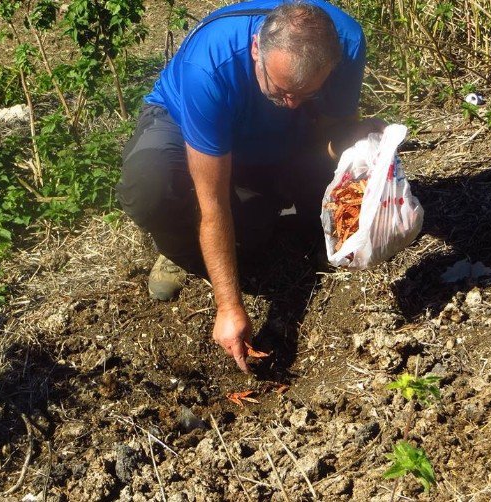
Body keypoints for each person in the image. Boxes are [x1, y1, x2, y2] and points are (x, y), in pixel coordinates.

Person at [117, 0, 382, 373]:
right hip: (185, 123)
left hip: (262, 134)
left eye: (304, 94)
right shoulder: (208, 67)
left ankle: (277, 205)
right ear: (257, 48)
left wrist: (366, 138)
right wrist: (229, 305)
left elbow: (332, 130)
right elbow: (213, 205)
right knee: (150, 187)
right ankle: (180, 251)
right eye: (281, 90)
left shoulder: (347, 43)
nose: (290, 104)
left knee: (255, 230)